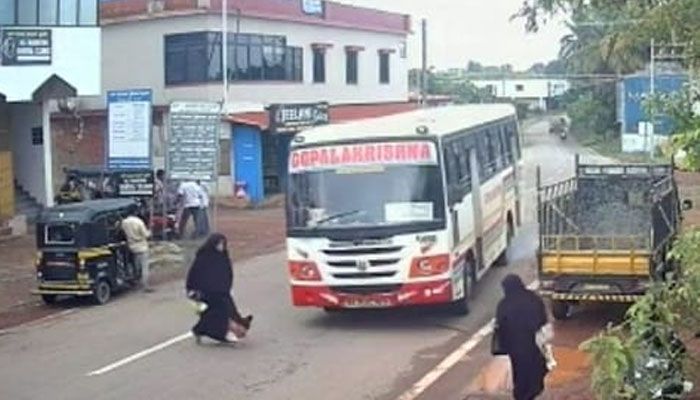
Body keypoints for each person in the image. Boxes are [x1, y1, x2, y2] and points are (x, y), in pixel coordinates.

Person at [185, 233, 253, 344]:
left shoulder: (223, 257)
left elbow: (227, 273)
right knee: (221, 310)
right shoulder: (203, 257)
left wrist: (226, 286)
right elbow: (194, 275)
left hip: (221, 291)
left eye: (223, 244)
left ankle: (239, 324)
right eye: (219, 244)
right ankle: (224, 332)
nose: (221, 246)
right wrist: (192, 290)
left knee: (227, 307)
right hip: (205, 292)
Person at [495, 274, 549, 400]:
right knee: (534, 367)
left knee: (519, 371)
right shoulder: (532, 298)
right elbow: (542, 319)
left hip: (515, 347)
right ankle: (533, 391)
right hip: (532, 343)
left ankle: (521, 394)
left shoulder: (504, 304)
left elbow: (500, 325)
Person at [121, 208, 153, 292]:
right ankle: (145, 285)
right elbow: (146, 235)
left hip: (131, 246)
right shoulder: (139, 222)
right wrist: (150, 232)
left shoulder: (124, 222)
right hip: (142, 246)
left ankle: (135, 282)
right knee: (144, 267)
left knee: (136, 266)